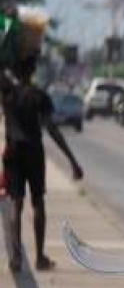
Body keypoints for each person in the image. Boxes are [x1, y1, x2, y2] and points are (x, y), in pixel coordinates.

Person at [0, 54, 83, 272]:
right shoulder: (39, 96)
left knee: (15, 203)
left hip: (13, 152)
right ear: (32, 72)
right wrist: (72, 161)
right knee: (38, 202)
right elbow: (52, 130)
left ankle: (16, 259)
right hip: (34, 153)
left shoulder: (7, 93)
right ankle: (39, 258)